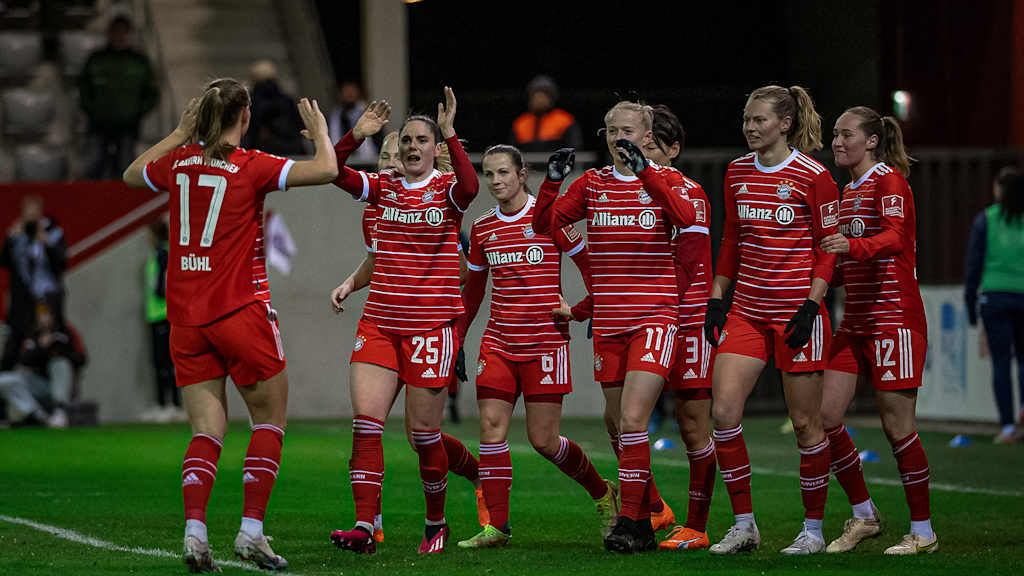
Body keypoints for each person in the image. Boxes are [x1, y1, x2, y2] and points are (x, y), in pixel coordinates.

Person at [122, 77, 339, 572]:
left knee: (206, 430)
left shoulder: (177, 163)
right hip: (239, 311)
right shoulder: (253, 165)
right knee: (268, 421)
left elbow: (132, 175)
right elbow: (327, 169)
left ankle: (195, 533)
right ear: (245, 117)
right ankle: (250, 532)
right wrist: (321, 131)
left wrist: (180, 135)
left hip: (185, 320)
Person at [533, 100, 697, 553]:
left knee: (631, 419)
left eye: (626, 129)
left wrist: (646, 174)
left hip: (655, 317)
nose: (617, 137)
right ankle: (650, 511)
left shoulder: (665, 181)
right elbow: (542, 224)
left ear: (646, 136)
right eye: (610, 129)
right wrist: (550, 183)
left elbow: (685, 221)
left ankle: (633, 523)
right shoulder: (593, 183)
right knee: (615, 422)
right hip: (610, 321)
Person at [328, 87, 480, 555]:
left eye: (421, 140)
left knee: (423, 435)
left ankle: (437, 522)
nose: (413, 148)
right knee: (366, 424)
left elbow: (472, 188)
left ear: (435, 149)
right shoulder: (384, 191)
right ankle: (364, 526)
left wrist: (451, 133)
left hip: (431, 327)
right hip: (379, 325)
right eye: (407, 141)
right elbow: (333, 172)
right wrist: (356, 135)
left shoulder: (448, 192)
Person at [454, 144, 617, 548]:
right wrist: (457, 340)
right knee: (491, 430)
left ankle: (602, 492)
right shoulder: (484, 228)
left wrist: (580, 310)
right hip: (498, 342)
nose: (495, 182)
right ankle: (498, 526)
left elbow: (593, 269)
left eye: (503, 173)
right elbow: (473, 292)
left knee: (543, 440)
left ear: (523, 173)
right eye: (489, 174)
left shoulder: (552, 220)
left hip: (545, 343)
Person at [703, 85, 840, 555]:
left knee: (805, 423)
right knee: (722, 413)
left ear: (784, 124)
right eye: (746, 118)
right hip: (747, 310)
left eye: (759, 119)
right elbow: (731, 239)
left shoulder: (814, 176)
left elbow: (828, 247)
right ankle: (744, 525)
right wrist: (718, 297)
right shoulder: (737, 171)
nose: (750, 127)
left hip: (797, 312)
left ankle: (814, 530)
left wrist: (811, 304)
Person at [820, 106, 936, 554]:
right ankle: (865, 514)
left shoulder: (889, 181)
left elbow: (895, 237)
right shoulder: (847, 192)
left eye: (847, 134)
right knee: (824, 418)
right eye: (834, 134)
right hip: (855, 322)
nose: (837, 141)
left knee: (897, 427)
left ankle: (923, 532)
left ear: (871, 141)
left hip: (894, 319)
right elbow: (851, 260)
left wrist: (852, 245)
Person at [965, 167, 1024, 444]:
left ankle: (1008, 427)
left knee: (1001, 362)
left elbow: (973, 266)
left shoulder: (986, 219)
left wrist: (969, 303)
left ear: (999, 189)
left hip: (995, 298)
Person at [79, 15, 159, 179]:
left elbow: (152, 94)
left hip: (128, 128)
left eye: (122, 32)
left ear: (129, 34)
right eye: (115, 32)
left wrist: (136, 113)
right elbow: (83, 90)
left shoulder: (139, 61)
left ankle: (124, 204)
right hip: (98, 126)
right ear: (109, 33)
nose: (118, 36)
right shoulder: (96, 59)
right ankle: (91, 203)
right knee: (95, 166)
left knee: (125, 168)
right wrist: (94, 111)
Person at [1, 195, 66, 372]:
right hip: (21, 306)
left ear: (40, 214)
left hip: (45, 303)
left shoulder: (52, 233)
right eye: (27, 215)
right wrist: (9, 239)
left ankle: (53, 395)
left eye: (34, 216)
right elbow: (5, 263)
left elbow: (61, 263)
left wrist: (45, 242)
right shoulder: (16, 236)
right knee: (11, 353)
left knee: (46, 347)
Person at [0, 302, 84, 428]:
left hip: (60, 385)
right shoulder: (31, 334)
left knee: (60, 363)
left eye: (46, 313)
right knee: (5, 380)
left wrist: (60, 351)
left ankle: (59, 411)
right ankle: (35, 414)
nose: (44, 317)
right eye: (40, 314)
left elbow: (81, 358)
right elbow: (23, 360)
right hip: (38, 383)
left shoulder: (66, 331)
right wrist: (41, 348)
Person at [140, 218, 183, 423]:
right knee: (159, 362)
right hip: (154, 316)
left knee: (167, 362)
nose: (146, 237)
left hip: (164, 315)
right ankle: (161, 404)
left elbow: (163, 284)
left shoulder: (163, 254)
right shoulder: (155, 255)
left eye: (148, 233)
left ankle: (173, 405)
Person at [243, 60, 305, 156]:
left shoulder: (250, 102)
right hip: (291, 151)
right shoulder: (287, 100)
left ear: (253, 78)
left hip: (261, 153)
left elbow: (247, 131)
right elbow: (300, 125)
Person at [509, 75, 583, 153]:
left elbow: (575, 151)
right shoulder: (520, 124)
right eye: (536, 96)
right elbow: (513, 154)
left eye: (543, 96)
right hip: (527, 164)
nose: (539, 100)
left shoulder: (565, 121)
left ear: (552, 98)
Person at [328, 80, 380, 162]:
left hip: (368, 162)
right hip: (340, 160)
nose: (349, 94)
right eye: (346, 91)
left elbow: (379, 139)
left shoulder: (370, 114)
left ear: (358, 92)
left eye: (352, 91)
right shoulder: (334, 117)